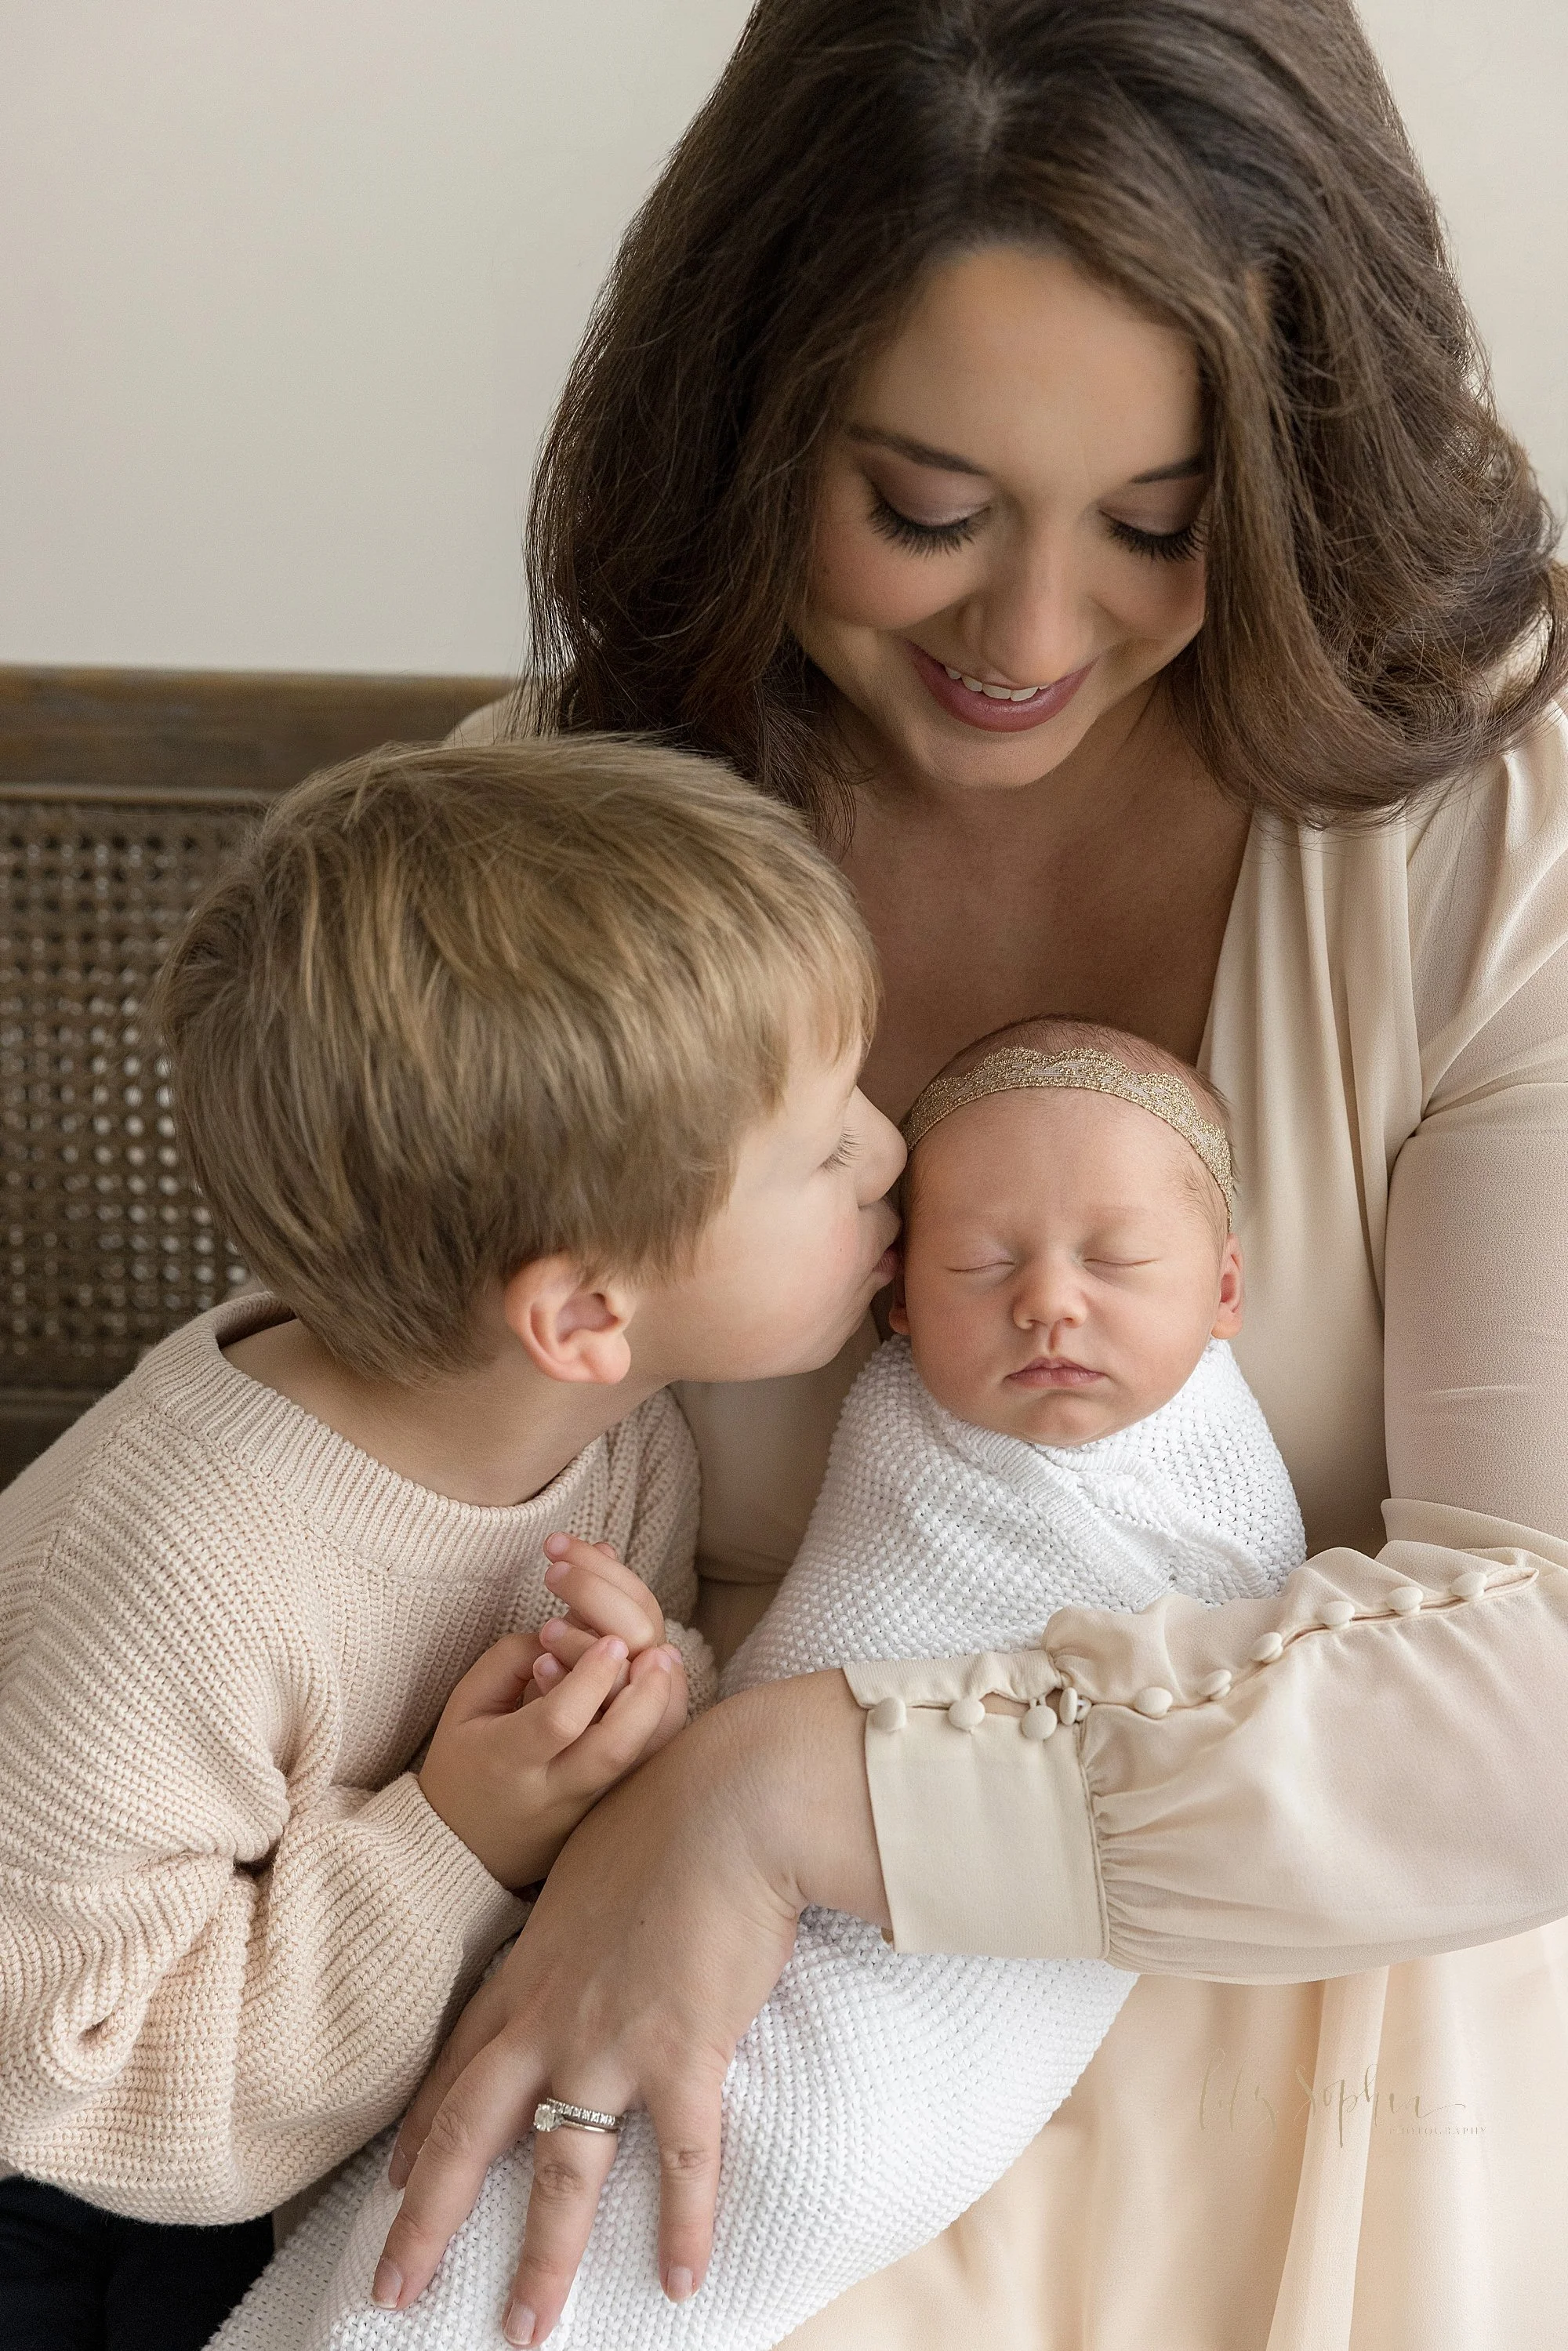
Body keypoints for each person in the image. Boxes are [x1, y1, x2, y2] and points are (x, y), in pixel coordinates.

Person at [365, 4, 1568, 2349]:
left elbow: (1545, 1670)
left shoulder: (1489, 826)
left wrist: (804, 1785)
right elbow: (372, 1505)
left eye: (1162, 521)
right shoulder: (546, 841)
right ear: (741, 415)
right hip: (682, 2108)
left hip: (1311, 2110)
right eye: (922, 512)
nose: (1032, 642)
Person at [0, 736, 902, 2350]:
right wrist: (455, 1838)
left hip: (306, 2132)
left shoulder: (611, 1433)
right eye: (825, 1147)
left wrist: (644, 1703)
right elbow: (65, 2061)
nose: (891, 1153)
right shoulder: (178, 1570)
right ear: (578, 1311)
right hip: (67, 2194)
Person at [220, 1014, 1305, 2350]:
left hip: (933, 1976)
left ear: (1229, 1289)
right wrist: (659, 1688)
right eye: (982, 1262)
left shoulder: (1218, 1509)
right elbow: (828, 1641)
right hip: (659, 1883)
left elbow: (1213, 1741)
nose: (1049, 1301)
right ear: (898, 1300)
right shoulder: (892, 1426)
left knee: (770, 2155)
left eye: (1120, 1259)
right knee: (478, 2157)